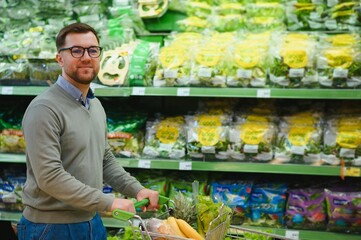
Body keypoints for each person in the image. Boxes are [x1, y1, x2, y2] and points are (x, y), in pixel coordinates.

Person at [17, 22, 159, 240]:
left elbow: (104, 160)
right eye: (76, 50)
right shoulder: (44, 109)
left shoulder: (95, 106)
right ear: (59, 58)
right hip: (51, 228)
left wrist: (136, 190)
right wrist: (109, 202)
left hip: (91, 222)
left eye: (93, 50)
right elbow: (50, 176)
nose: (86, 57)